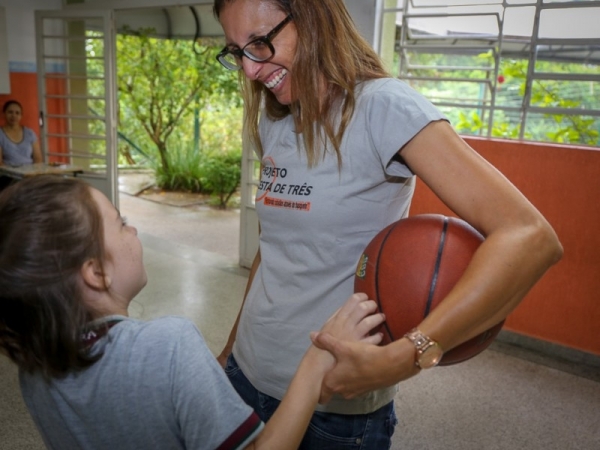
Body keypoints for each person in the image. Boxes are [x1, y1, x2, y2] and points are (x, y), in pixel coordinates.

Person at [212, 0, 563, 448]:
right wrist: (230, 346)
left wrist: (406, 356)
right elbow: (273, 247)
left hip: (333, 404)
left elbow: (530, 236)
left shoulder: (383, 107)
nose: (249, 69)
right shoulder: (275, 116)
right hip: (246, 372)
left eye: (260, 43)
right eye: (236, 51)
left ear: (313, 17)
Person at [0, 175, 386, 450]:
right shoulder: (168, 346)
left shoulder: (35, 371)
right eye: (121, 224)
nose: (132, 231)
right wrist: (316, 360)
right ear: (97, 273)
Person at [0, 100, 42, 166]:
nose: (13, 116)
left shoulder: (29, 133)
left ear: (21, 115)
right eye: (10, 112)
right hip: (8, 174)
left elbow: (38, 159)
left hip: (30, 173)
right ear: (4, 114)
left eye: (17, 113)